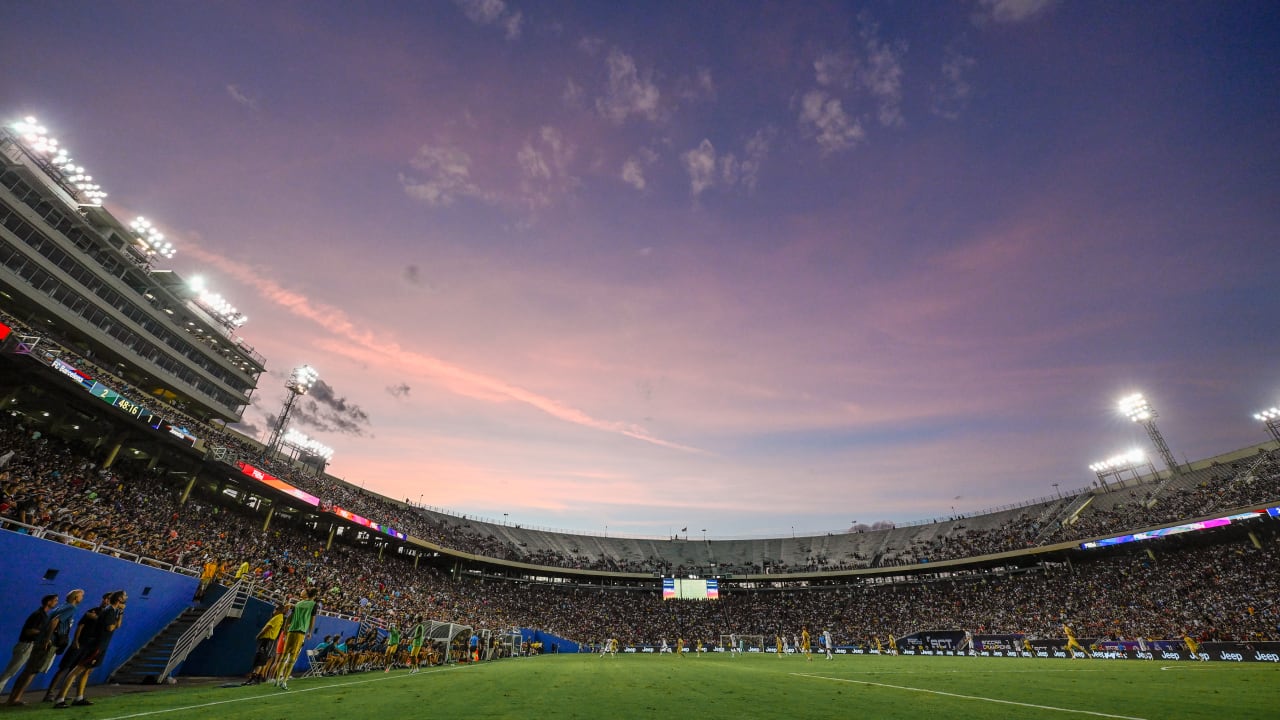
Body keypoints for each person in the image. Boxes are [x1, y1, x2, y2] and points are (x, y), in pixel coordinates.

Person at [8, 589, 83, 706]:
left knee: (28, 670)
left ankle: (12, 698)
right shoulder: (71, 608)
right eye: (81, 596)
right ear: (75, 598)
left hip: (41, 641)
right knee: (33, 671)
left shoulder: (61, 607)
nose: (82, 598)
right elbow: (55, 621)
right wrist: (47, 638)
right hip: (48, 642)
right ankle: (16, 698)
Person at [53, 590, 125, 708]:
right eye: (124, 596)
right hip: (96, 646)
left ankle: (79, 697)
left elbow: (118, 625)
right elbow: (111, 627)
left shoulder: (113, 611)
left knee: (87, 671)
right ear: (119, 599)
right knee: (78, 670)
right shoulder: (109, 611)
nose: (126, 598)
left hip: (101, 646)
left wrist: (121, 612)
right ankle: (60, 698)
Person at [0, 595, 58, 701]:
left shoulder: (44, 615)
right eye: (55, 601)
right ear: (48, 602)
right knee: (10, 672)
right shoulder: (39, 615)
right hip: (26, 645)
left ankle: (13, 699)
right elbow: (29, 631)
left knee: (16, 672)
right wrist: (46, 633)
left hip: (30, 645)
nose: (56, 603)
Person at [275, 588, 319, 690]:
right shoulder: (314, 605)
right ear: (314, 595)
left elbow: (290, 616)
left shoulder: (298, 604)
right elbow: (312, 620)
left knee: (284, 655)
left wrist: (285, 628)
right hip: (300, 632)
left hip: (291, 630)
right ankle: (284, 681)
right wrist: (310, 632)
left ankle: (277, 679)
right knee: (292, 657)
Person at [245, 603, 286, 685]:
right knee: (262, 659)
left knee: (261, 659)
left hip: (267, 640)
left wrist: (258, 635)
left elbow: (267, 628)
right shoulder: (280, 618)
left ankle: (256, 677)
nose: (274, 611)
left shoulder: (277, 618)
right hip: (268, 640)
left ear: (279, 610)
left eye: (276, 609)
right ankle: (257, 677)